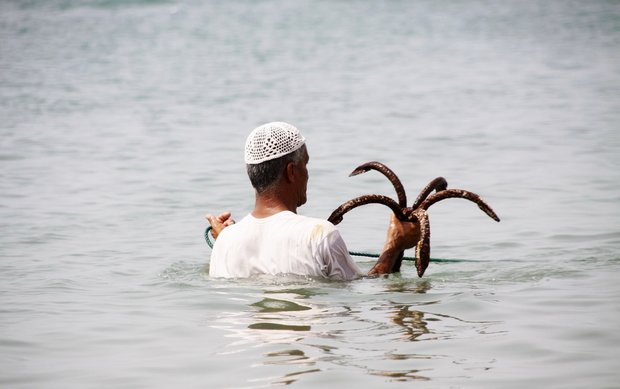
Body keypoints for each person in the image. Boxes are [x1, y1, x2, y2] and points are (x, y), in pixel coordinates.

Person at [206, 122, 420, 280]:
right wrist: (394, 245)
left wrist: (229, 237)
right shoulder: (320, 235)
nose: (308, 174)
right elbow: (366, 290)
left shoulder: (224, 242)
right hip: (306, 340)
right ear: (292, 171)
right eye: (305, 165)